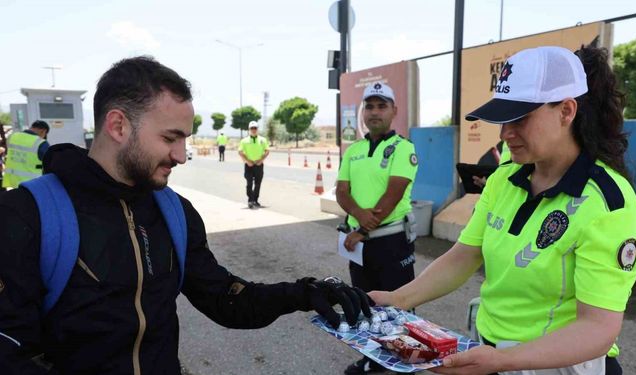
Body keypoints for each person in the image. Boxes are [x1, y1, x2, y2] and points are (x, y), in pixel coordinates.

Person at [0, 56, 371, 375]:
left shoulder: (173, 211)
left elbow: (226, 299)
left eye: (186, 140)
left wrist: (305, 292)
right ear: (117, 126)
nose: (181, 155)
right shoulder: (26, 216)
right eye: (169, 138)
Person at [369, 46, 636, 375]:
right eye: (502, 119)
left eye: (520, 118)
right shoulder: (505, 178)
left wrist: (503, 361)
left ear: (567, 111)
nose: (505, 133)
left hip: (560, 366)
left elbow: (597, 328)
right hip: (491, 355)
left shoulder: (609, 204)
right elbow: (465, 255)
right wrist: (397, 299)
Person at [336, 82, 419, 374]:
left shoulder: (403, 148)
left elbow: (392, 195)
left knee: (398, 303)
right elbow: (342, 192)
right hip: (359, 244)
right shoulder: (354, 150)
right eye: (369, 106)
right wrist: (358, 219)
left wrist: (362, 230)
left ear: (394, 111)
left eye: (381, 106)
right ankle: (373, 359)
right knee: (365, 301)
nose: (374, 112)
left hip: (391, 241)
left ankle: (404, 360)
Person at [1, 120, 50, 189]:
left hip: (12, 182)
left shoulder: (12, 137)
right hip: (32, 184)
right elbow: (49, 164)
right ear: (43, 131)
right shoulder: (41, 143)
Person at [238, 121, 269, 209]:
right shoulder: (244, 141)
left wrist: (261, 160)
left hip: (259, 165)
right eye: (252, 128)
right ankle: (250, 200)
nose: (254, 130)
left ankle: (255, 200)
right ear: (249, 129)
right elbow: (240, 151)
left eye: (255, 128)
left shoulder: (263, 140)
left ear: (257, 129)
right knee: (249, 183)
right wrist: (247, 161)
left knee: (258, 184)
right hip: (249, 165)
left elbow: (267, 151)